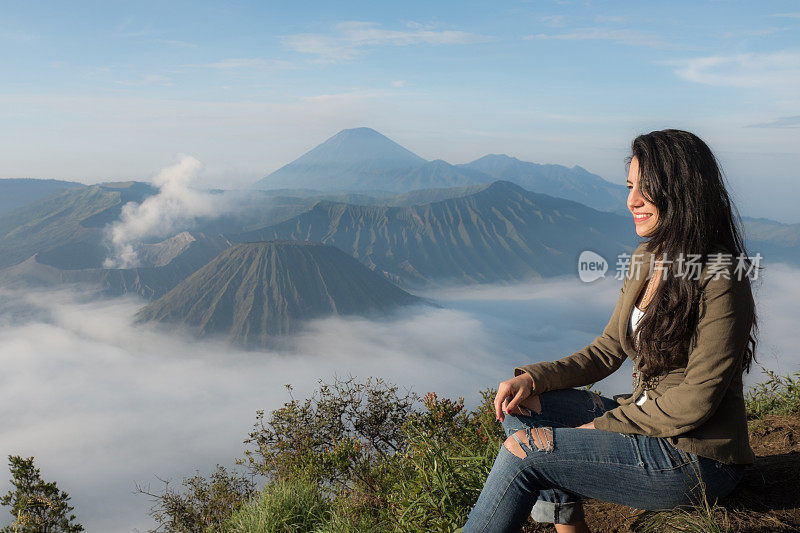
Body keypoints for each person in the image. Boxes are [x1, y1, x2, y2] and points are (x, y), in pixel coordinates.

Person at [461, 129, 761, 533]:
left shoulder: (721, 275)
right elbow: (607, 349)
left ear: (682, 190)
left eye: (646, 188)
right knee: (524, 411)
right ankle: (569, 526)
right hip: (644, 416)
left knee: (525, 455)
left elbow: (697, 399)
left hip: (694, 457)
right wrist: (535, 378)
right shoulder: (646, 259)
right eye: (630, 186)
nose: (631, 200)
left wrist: (601, 426)